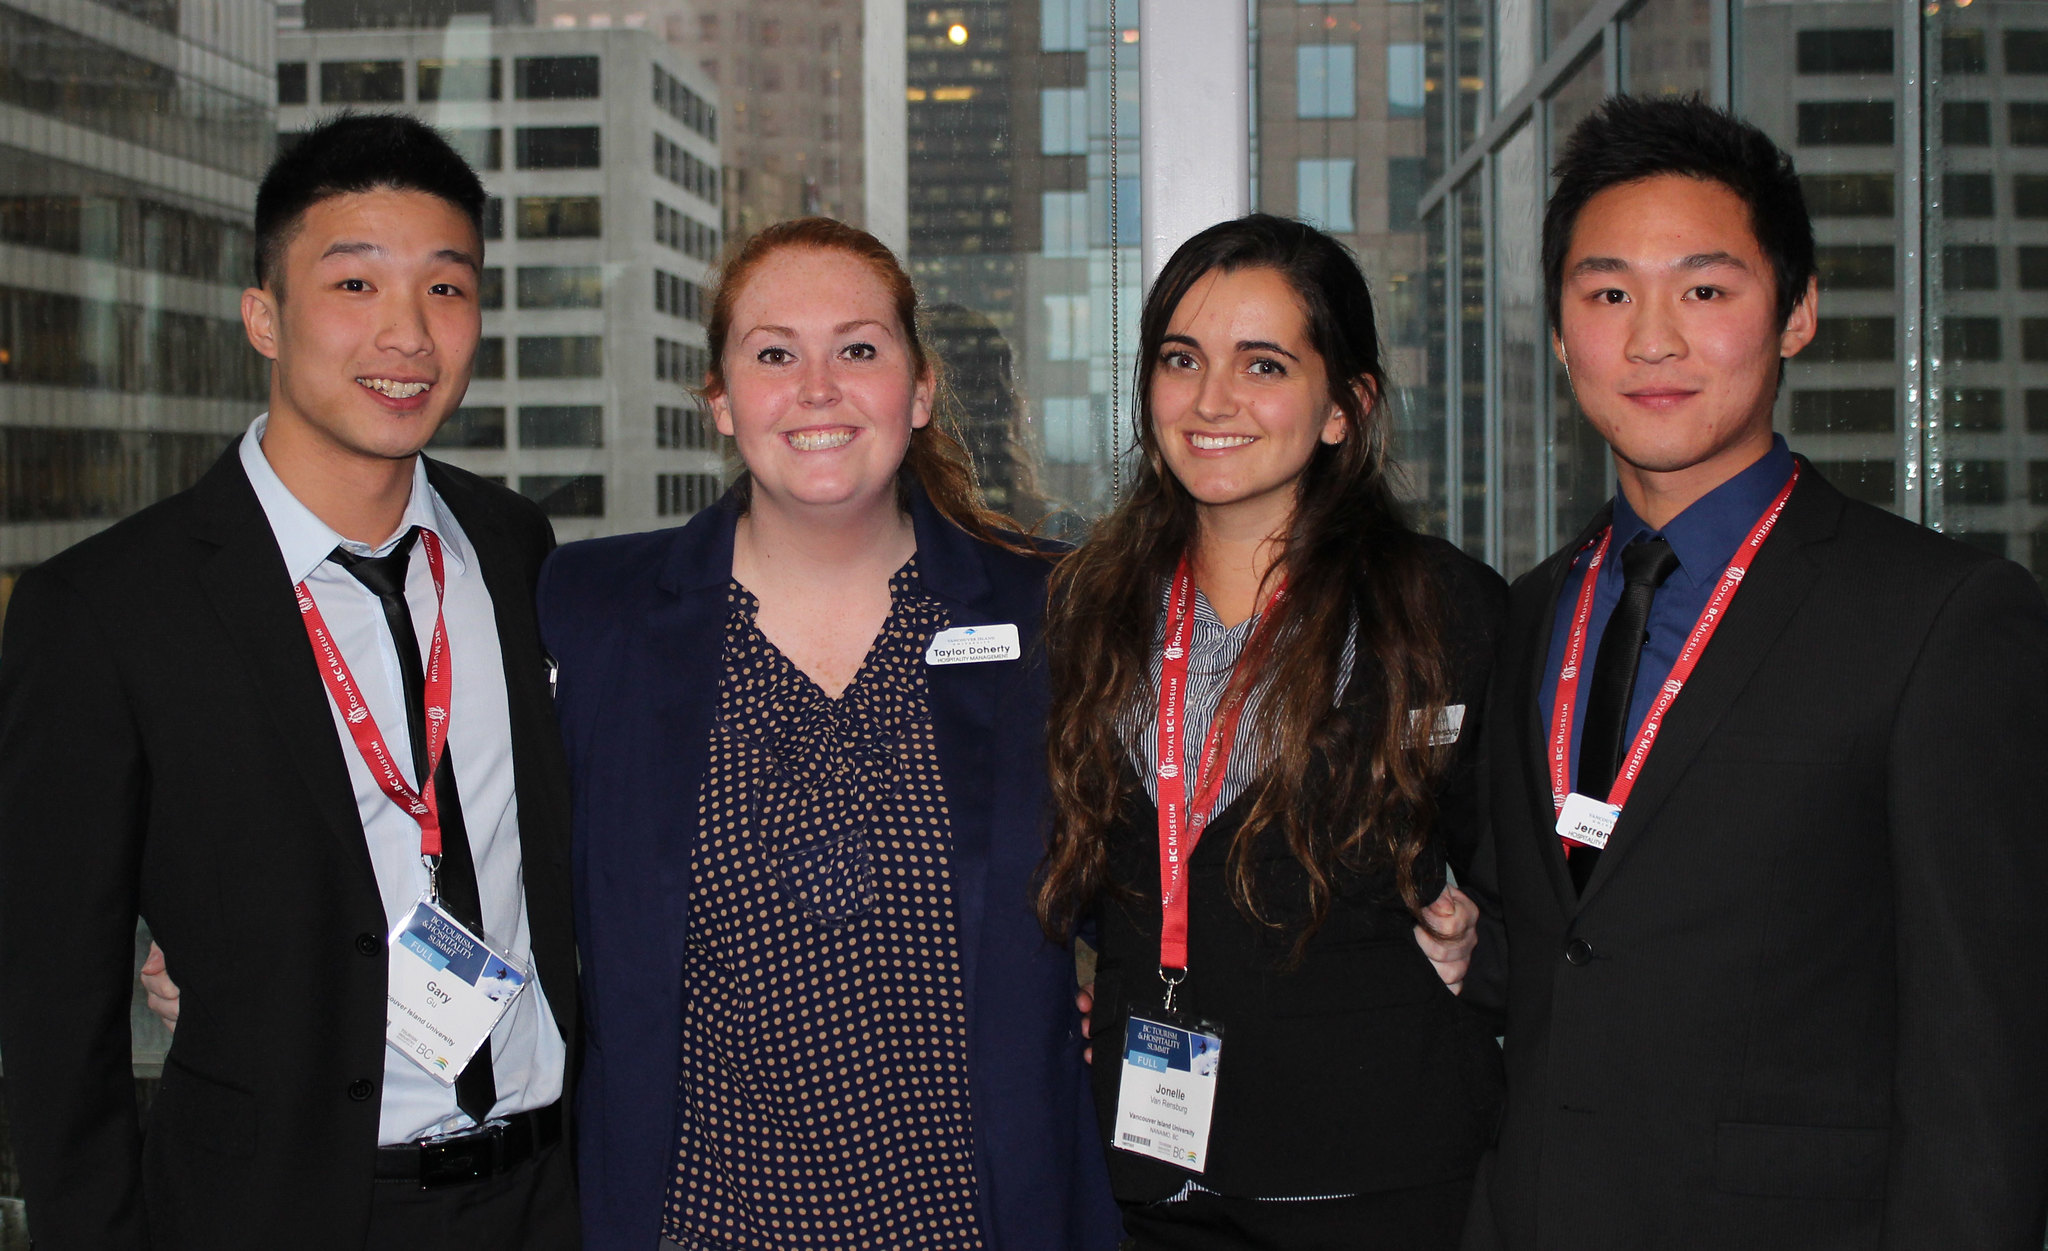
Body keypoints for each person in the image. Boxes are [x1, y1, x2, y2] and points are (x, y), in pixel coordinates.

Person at [1459, 95, 2048, 1250]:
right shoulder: (1525, 614)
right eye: (1607, 292)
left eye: (1705, 289)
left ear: (1795, 314)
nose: (1651, 339)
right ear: (1561, 326)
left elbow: (1985, 1055)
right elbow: (1548, 949)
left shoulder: (1937, 619)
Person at [0, 114, 578, 1249]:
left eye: (446, 291)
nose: (406, 335)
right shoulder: (106, 610)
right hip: (280, 1210)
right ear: (263, 316)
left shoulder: (514, 550)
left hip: (552, 1195)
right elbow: (55, 1007)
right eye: (354, 283)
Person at [536, 217, 1121, 1250]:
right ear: (719, 400)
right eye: (773, 354)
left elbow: (1158, 862)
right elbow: (468, 816)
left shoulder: (1050, 612)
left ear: (920, 390)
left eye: (858, 348)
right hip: (696, 1227)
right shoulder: (592, 616)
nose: (817, 388)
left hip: (973, 1224)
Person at [1036, 213, 1508, 1250]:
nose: (1210, 401)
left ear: (1344, 407)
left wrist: (1477, 939)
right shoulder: (1082, 611)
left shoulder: (1444, 611)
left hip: (1379, 1186)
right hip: (1145, 1187)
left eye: (1262, 365)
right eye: (1180, 359)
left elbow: (1522, 881)